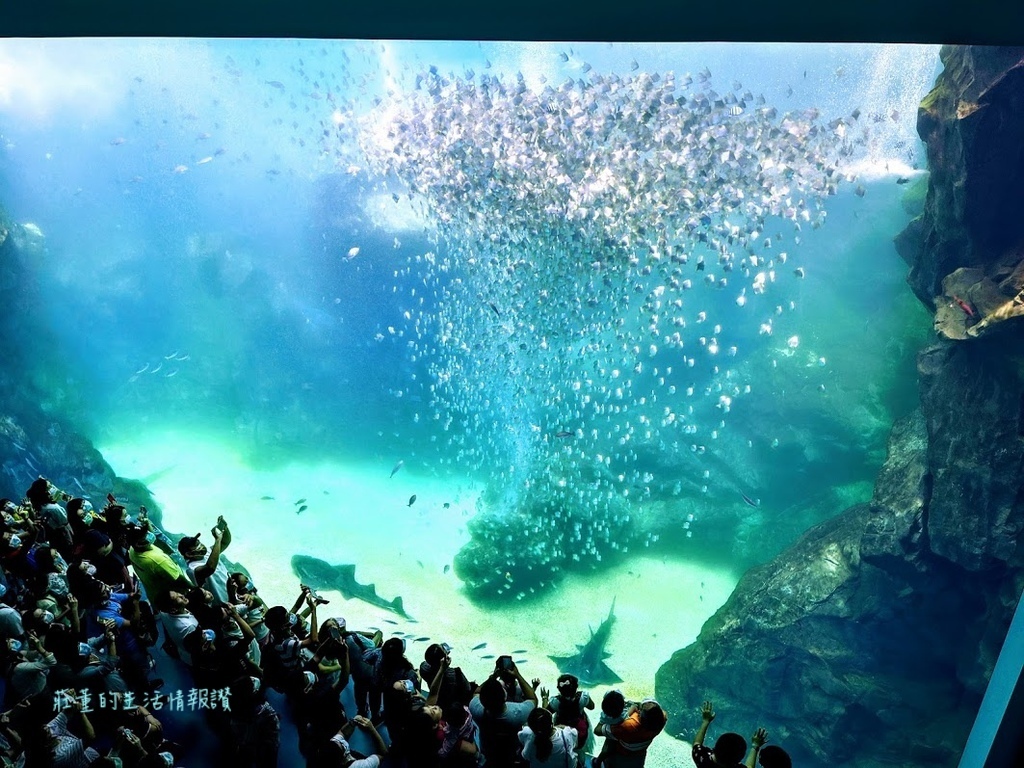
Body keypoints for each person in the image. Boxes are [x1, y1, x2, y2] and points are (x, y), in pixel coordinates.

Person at [469, 658, 538, 768]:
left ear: (481, 701)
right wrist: (518, 675)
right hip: (512, 755)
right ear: (505, 696)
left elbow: (476, 692)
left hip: (489, 755)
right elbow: (532, 699)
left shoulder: (476, 710)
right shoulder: (517, 713)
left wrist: (493, 677)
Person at [127, 526, 193, 607]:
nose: (149, 535)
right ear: (138, 544)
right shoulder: (157, 560)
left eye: (146, 532)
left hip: (155, 594)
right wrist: (194, 588)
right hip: (174, 597)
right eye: (145, 536)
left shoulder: (132, 550)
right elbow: (178, 579)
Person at [596, 699, 666, 768]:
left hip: (620, 755)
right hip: (639, 755)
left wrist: (604, 718)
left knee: (610, 740)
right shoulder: (662, 719)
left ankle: (597, 762)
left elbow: (597, 731)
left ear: (639, 713)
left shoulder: (629, 725)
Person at [178, 518, 232, 603]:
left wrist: (224, 528)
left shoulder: (208, 552)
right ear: (189, 554)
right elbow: (210, 567)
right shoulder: (192, 569)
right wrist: (217, 540)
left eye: (199, 542)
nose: (201, 545)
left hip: (234, 594)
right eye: (197, 545)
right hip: (225, 604)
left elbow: (225, 542)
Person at [544, 674, 594, 764]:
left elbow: (546, 714)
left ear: (559, 689)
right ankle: (580, 763)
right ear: (576, 687)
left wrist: (545, 698)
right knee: (580, 749)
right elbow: (592, 706)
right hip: (580, 728)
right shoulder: (583, 698)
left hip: (562, 729)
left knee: (565, 748)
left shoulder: (555, 702)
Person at [692, 701, 746, 768]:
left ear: (716, 747)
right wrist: (755, 747)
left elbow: (697, 743)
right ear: (740, 758)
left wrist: (705, 721)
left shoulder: (703, 759)